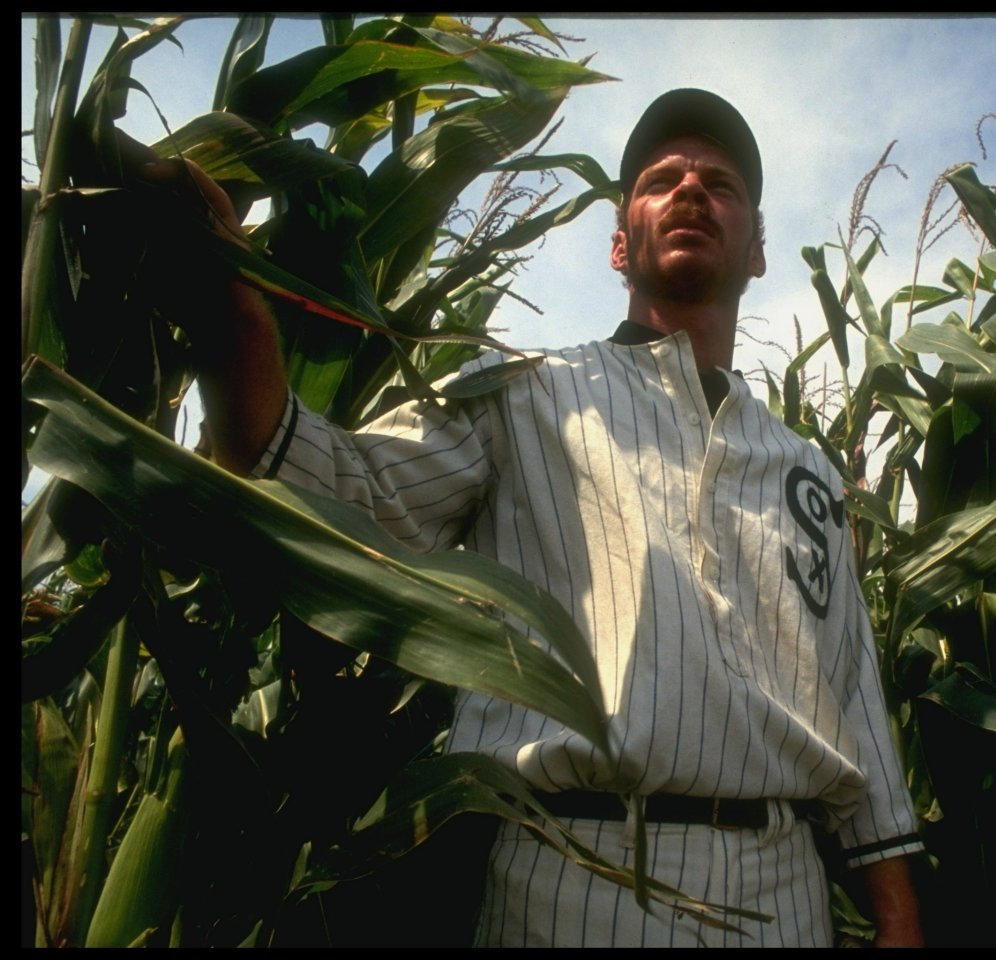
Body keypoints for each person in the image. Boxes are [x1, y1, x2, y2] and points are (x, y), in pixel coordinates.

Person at [162, 88, 925, 947]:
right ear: (617, 244)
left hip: (785, 895)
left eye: (720, 182)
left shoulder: (807, 472)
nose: (690, 190)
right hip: (570, 881)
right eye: (660, 178)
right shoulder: (522, 392)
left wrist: (897, 919)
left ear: (756, 250)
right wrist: (227, 301)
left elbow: (855, 704)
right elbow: (342, 494)